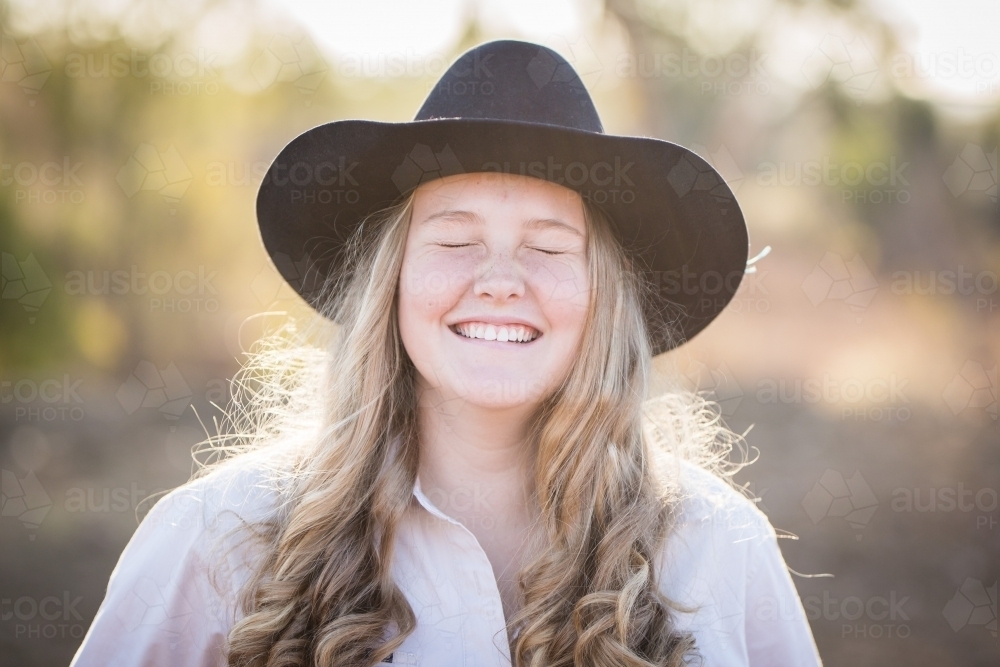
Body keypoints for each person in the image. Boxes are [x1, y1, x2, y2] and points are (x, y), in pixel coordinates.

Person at [69, 40, 822, 667]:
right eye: (455, 240)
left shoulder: (720, 549)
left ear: (604, 295)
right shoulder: (217, 538)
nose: (498, 282)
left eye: (549, 246)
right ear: (390, 279)